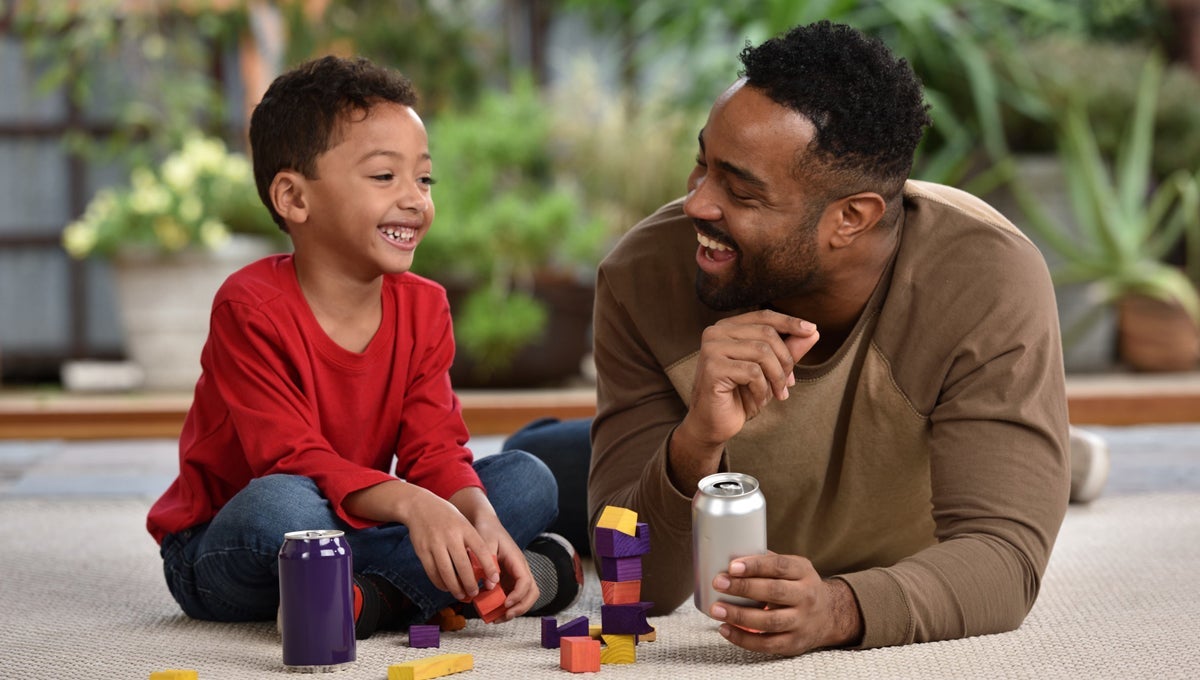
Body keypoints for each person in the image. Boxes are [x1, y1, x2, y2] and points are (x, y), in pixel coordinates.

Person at [524, 20, 1076, 656]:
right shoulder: (641, 273)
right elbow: (643, 588)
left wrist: (842, 608)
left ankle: (1045, 445)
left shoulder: (985, 277)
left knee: (1014, 478)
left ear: (851, 218)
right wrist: (696, 442)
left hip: (878, 489)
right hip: (720, 475)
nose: (698, 203)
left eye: (740, 189)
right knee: (536, 467)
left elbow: (1004, 563)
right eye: (702, 163)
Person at [145, 55, 580, 641]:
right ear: (294, 198)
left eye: (424, 179)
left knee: (527, 480)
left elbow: (434, 448)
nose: (415, 199)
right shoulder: (248, 307)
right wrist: (415, 508)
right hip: (231, 548)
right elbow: (291, 459)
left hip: (364, 521)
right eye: (384, 177)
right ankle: (476, 579)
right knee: (287, 509)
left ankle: (369, 598)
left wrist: (474, 513)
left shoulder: (423, 306)